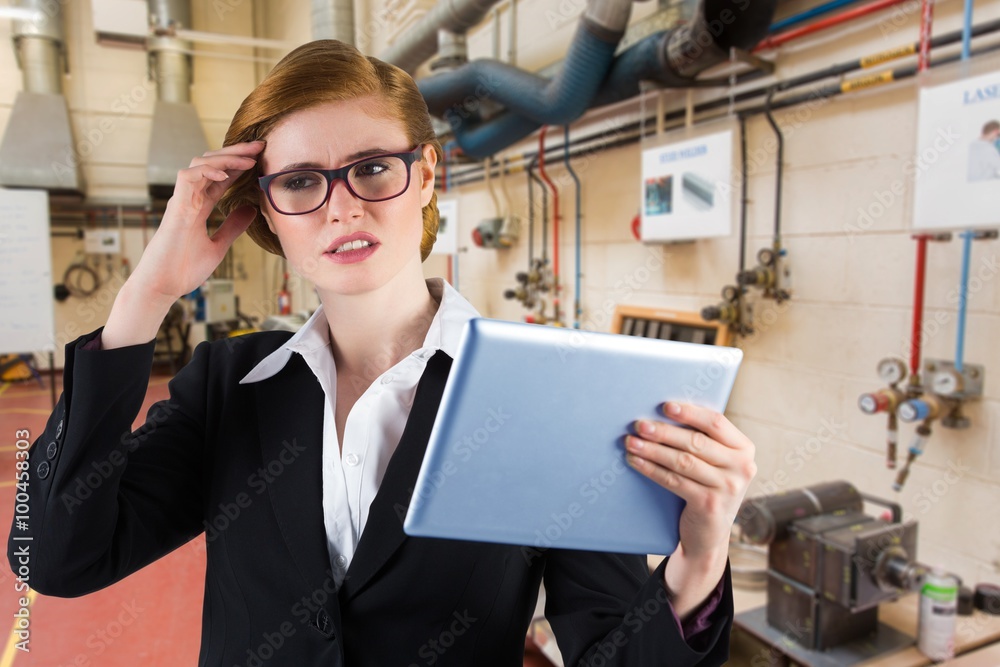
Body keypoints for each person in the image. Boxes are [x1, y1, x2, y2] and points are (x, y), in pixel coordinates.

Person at [8, 40, 756, 666]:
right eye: (300, 181)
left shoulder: (535, 392)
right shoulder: (231, 385)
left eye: (372, 167)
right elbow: (54, 554)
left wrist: (697, 556)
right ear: (264, 208)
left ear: (426, 173)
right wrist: (145, 295)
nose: (342, 205)